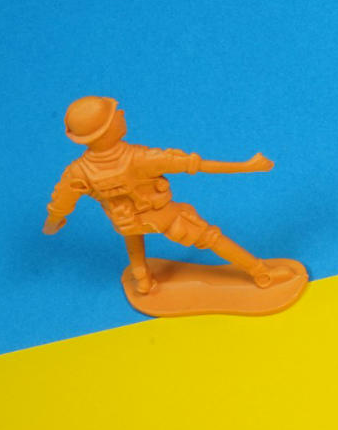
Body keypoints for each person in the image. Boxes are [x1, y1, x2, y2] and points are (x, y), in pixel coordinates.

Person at [44, 96, 279, 295]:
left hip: (125, 223)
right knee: (210, 237)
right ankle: (259, 271)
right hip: (164, 217)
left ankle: (142, 278)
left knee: (132, 237)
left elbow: (61, 204)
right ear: (105, 131)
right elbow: (198, 165)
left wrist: (52, 224)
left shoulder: (78, 171)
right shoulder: (142, 159)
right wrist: (246, 166)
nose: (121, 113)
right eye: (115, 114)